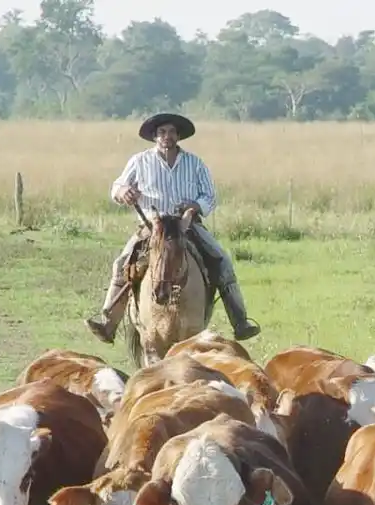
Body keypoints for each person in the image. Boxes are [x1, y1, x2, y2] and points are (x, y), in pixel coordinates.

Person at [85, 112, 260, 344]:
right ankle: (109, 322)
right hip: (152, 226)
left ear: (178, 136)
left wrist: (195, 206)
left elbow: (210, 196)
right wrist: (123, 193)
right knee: (123, 263)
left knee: (222, 261)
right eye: (162, 132)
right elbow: (117, 186)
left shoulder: (195, 163)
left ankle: (240, 322)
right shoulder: (139, 161)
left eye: (171, 132)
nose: (166, 136)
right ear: (155, 137)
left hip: (187, 226)